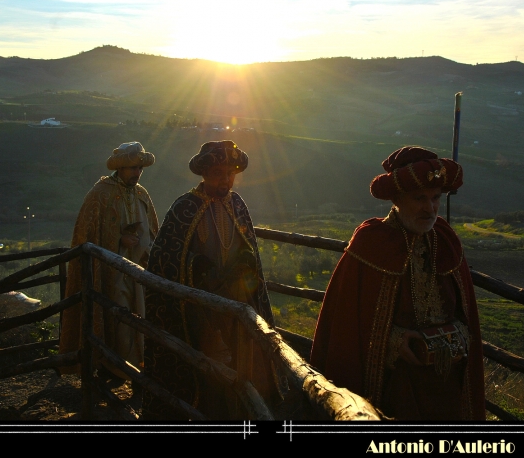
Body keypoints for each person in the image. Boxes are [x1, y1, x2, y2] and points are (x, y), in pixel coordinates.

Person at [310, 146, 486, 421]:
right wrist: (396, 342)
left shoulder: (446, 239)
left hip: (447, 387)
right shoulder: (371, 243)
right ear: (397, 200)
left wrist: (458, 335)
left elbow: (466, 313)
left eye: (435, 198)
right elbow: (349, 327)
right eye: (419, 198)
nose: (430, 209)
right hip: (395, 387)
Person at [142, 140, 282, 420]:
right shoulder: (185, 208)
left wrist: (245, 264)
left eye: (230, 173)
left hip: (239, 304)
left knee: (244, 363)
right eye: (219, 172)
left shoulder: (238, 204)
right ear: (204, 173)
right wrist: (199, 269)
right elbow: (165, 260)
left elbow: (248, 248)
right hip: (198, 311)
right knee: (208, 368)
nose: (226, 179)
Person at [59, 141, 159, 387]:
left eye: (140, 168)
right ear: (121, 168)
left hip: (140, 271)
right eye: (132, 168)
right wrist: (119, 239)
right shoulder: (100, 194)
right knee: (117, 316)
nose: (137, 173)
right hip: (111, 274)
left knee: (140, 317)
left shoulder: (142, 194)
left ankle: (139, 368)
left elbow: (153, 229)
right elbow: (87, 234)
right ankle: (114, 367)